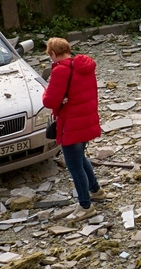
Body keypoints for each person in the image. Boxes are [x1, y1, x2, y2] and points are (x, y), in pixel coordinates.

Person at [42, 38, 104, 215]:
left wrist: (47, 90)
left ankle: (85, 206)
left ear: (53, 54)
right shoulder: (85, 66)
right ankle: (96, 190)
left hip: (71, 124)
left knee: (74, 166)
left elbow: (49, 100)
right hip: (86, 121)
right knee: (80, 158)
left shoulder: (61, 71)